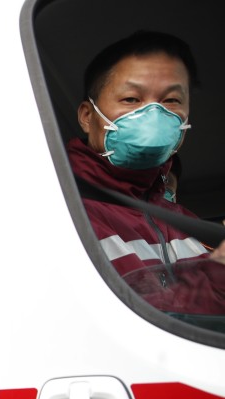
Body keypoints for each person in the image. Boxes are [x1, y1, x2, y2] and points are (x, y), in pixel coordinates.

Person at [68, 30, 225, 315]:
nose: (153, 115)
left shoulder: (186, 224)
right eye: (131, 99)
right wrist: (218, 274)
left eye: (171, 101)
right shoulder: (64, 211)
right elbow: (123, 319)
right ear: (87, 117)